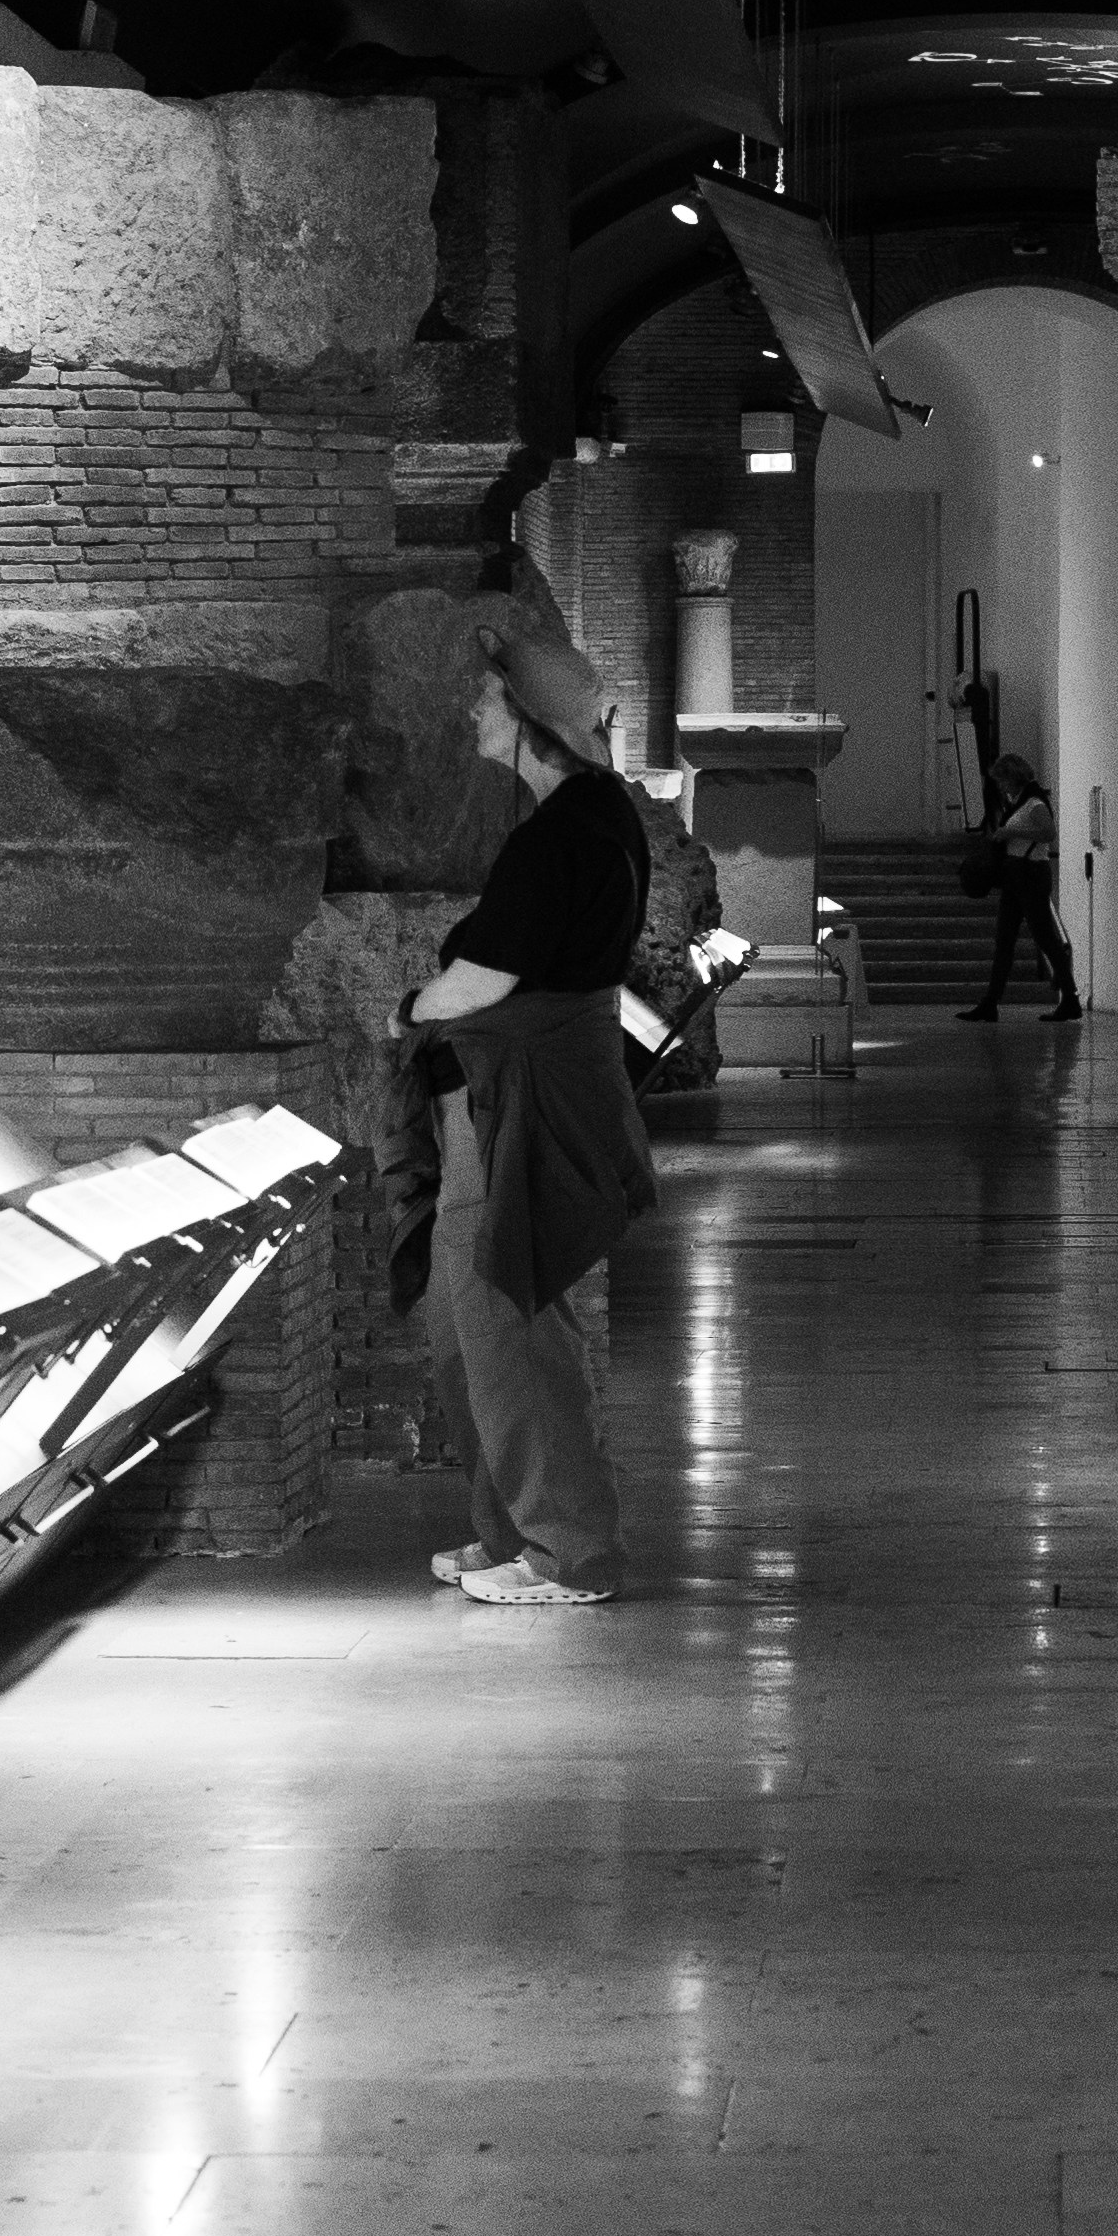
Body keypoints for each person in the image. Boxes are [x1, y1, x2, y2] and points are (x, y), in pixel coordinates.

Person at [386, 617, 657, 1609]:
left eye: (485, 692)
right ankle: (512, 1528)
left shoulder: (564, 833)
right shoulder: (587, 815)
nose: (471, 706)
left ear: (525, 716)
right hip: (509, 1093)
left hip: (522, 1099)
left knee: (509, 1322)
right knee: (469, 1324)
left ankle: (570, 1553)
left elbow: (488, 975)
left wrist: (410, 1007)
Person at [963, 748, 1080, 1023]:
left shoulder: (1034, 803)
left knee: (1046, 939)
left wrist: (1011, 831)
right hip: (1017, 875)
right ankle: (990, 1002)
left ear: (1013, 777)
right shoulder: (1019, 801)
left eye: (1003, 780)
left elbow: (1048, 833)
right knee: (1004, 939)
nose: (1001, 786)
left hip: (1031, 874)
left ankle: (1070, 999)